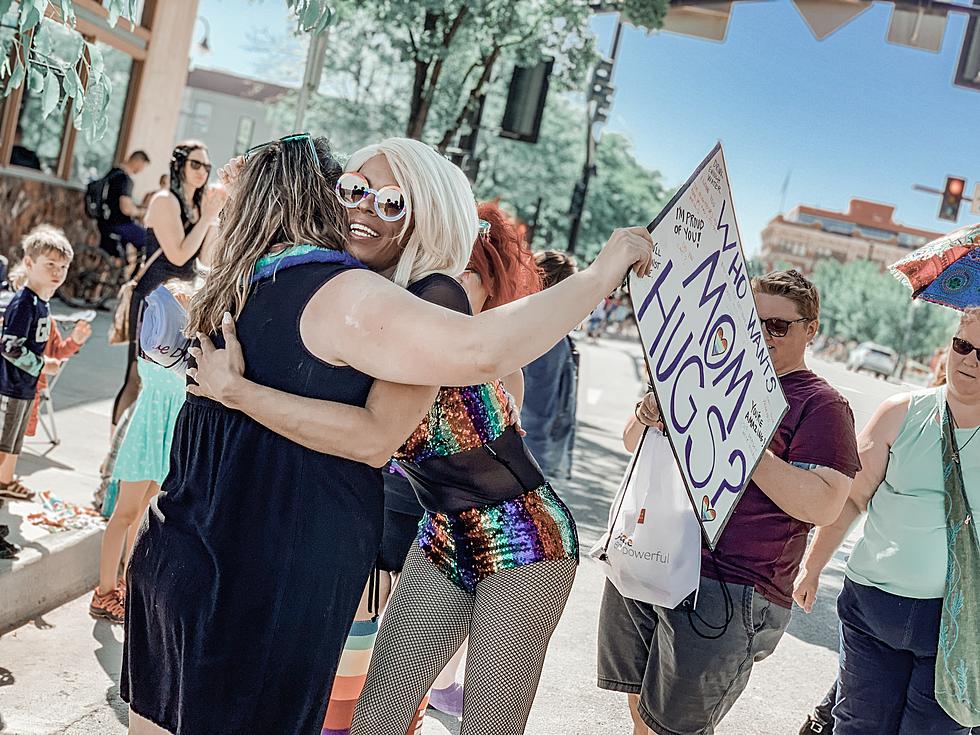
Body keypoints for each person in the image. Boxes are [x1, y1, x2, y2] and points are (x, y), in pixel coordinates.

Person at [122, 134, 653, 735]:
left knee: (486, 721)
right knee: (378, 716)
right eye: (353, 190)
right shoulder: (369, 298)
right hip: (441, 530)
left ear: (427, 211)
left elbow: (408, 413)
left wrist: (604, 272)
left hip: (524, 538)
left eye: (391, 201)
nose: (363, 208)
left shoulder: (437, 292)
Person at [599, 269, 862, 735]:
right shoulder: (707, 371)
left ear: (810, 329)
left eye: (777, 325)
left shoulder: (821, 405)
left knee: (676, 727)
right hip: (651, 554)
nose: (761, 334)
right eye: (750, 319)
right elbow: (630, 441)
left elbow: (823, 504)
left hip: (731, 583)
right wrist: (647, 414)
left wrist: (742, 443)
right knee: (640, 708)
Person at [793, 309, 980, 735]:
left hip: (955, 624)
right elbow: (853, 498)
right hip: (873, 609)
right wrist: (813, 565)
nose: (969, 360)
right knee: (859, 727)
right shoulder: (901, 412)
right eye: (963, 345)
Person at [90, 280, 196, 624]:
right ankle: (104, 591)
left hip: (165, 439)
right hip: (146, 435)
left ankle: (125, 583)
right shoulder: (156, 346)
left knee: (142, 517)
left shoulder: (183, 351)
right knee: (124, 513)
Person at [110, 140, 223, 428]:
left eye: (206, 166)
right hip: (153, 294)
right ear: (179, 165)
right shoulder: (164, 200)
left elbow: (205, 259)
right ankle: (113, 452)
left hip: (182, 297)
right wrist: (208, 217)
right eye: (195, 164)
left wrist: (212, 219)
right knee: (137, 375)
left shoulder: (198, 207)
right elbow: (178, 253)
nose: (201, 171)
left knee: (169, 379)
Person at [0, 226, 73, 501]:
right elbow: (9, 347)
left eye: (63, 267)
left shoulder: (43, 302)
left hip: (24, 388)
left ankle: (5, 481)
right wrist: (43, 365)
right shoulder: (24, 303)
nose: (57, 272)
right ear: (29, 264)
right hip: (9, 386)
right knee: (3, 443)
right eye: (50, 264)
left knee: (13, 443)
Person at [521, 250, 580, 481]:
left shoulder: (529, 323)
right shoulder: (548, 335)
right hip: (528, 450)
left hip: (524, 448)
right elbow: (539, 407)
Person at [98, 151, 151, 257]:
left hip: (105, 221)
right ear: (138, 161)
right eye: (143, 166)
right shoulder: (125, 179)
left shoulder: (113, 173)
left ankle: (120, 267)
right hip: (119, 223)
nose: (141, 170)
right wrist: (141, 212)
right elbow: (126, 209)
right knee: (149, 240)